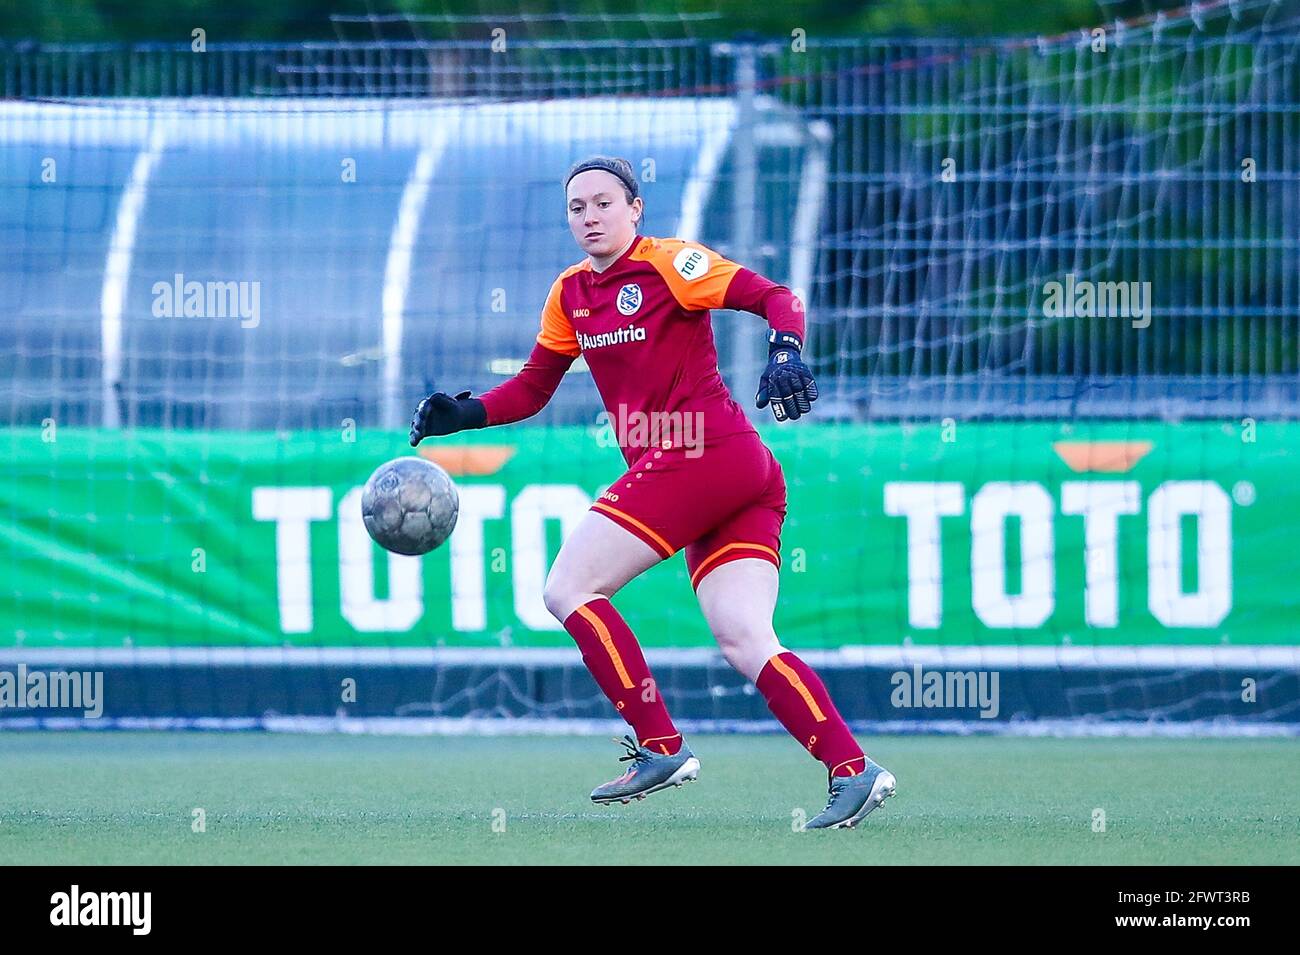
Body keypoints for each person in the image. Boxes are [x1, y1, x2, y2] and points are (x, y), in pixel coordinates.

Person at [409, 156, 894, 829]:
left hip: (702, 452)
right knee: (747, 636)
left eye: (604, 203)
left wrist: (786, 351)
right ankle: (853, 770)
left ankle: (662, 746)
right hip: (732, 473)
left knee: (567, 590)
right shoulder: (570, 293)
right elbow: (532, 386)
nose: (590, 217)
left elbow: (776, 296)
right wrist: (465, 414)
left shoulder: (671, 263)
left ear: (635, 208)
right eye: (577, 207)